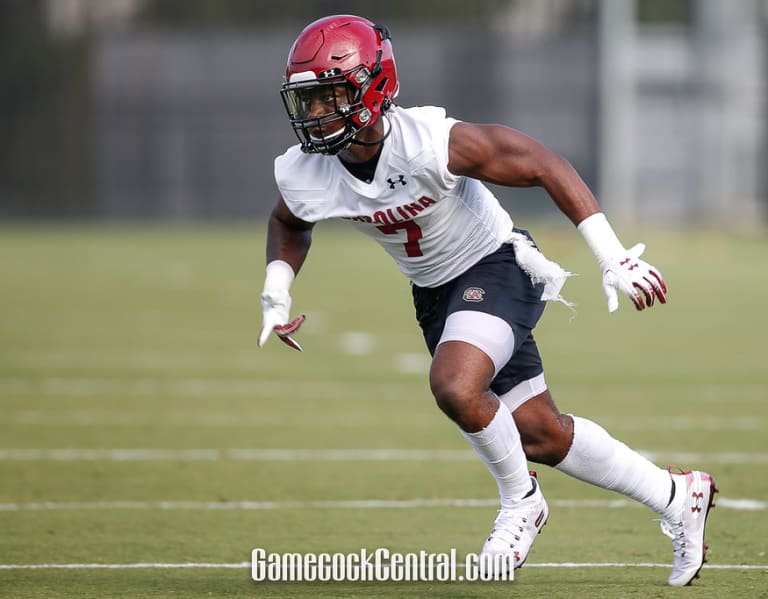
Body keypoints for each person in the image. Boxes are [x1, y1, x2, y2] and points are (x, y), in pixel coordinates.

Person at [258, 14, 717, 586]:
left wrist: (612, 255)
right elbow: (290, 221)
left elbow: (543, 164)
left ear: (371, 88)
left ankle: (521, 501)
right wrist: (276, 289)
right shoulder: (309, 170)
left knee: (454, 384)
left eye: (329, 96)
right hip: (434, 294)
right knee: (540, 433)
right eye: (310, 100)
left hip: (497, 265)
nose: (317, 114)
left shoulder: (429, 143)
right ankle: (678, 496)